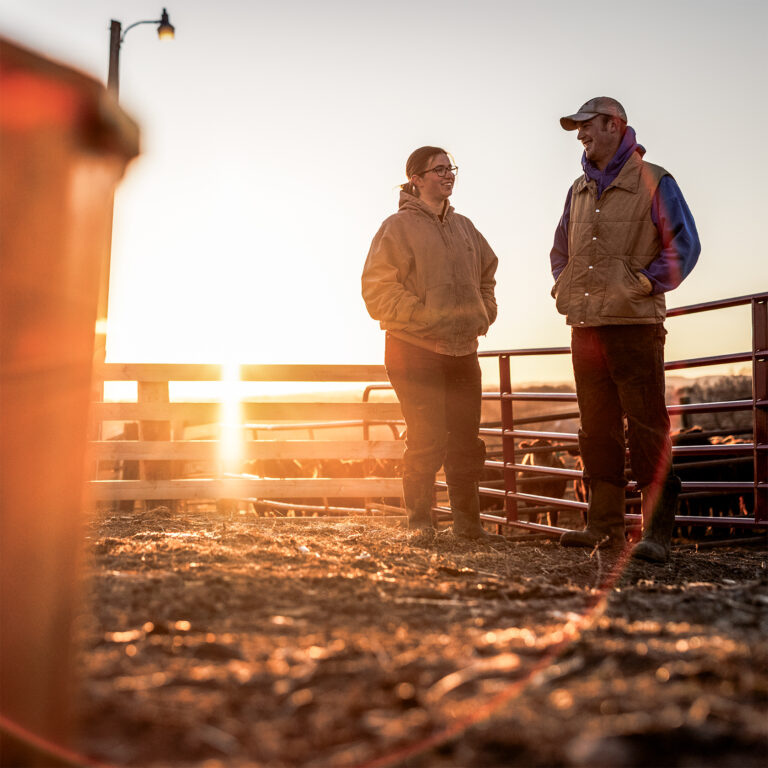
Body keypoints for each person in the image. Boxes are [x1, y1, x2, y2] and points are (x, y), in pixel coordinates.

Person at [550, 97, 700, 562]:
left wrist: (644, 284)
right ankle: (603, 528)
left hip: (635, 327)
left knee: (648, 427)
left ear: (615, 124)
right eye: (577, 129)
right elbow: (560, 251)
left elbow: (685, 244)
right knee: (596, 431)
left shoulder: (656, 180)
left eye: (587, 126)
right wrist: (564, 287)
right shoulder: (577, 189)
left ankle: (655, 534)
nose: (580, 135)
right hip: (586, 327)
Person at [362, 146, 503, 543]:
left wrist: (484, 312)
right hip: (413, 350)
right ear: (416, 179)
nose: (448, 175)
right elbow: (376, 289)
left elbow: (488, 274)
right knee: (426, 437)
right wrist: (424, 317)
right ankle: (420, 523)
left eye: (451, 168)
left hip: (462, 350)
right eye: (438, 169)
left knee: (465, 440)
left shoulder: (466, 229)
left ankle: (469, 526)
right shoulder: (397, 227)